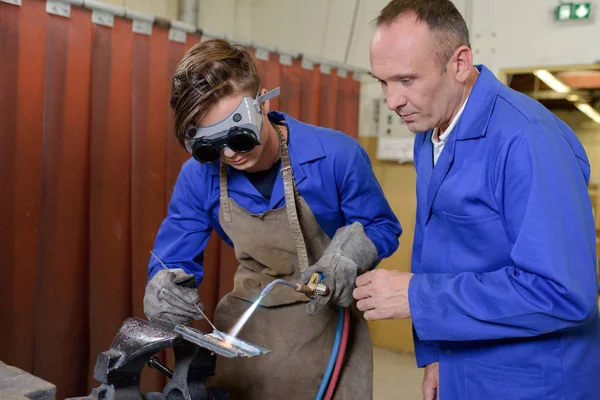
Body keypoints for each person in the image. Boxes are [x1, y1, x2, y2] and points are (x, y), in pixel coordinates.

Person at [352, 0, 600, 399]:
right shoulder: (430, 131)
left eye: (407, 80)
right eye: (382, 82)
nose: (392, 100)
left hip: (534, 381)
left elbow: (564, 293)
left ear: (460, 63)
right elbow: (437, 253)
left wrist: (417, 297)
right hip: (464, 364)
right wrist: (437, 355)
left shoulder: (527, 139)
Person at [142, 38, 402, 399]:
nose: (229, 153)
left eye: (238, 135)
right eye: (212, 145)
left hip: (331, 321)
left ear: (264, 101)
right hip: (248, 325)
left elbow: (382, 225)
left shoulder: (336, 155)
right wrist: (164, 285)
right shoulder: (197, 176)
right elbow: (173, 255)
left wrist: (351, 253)